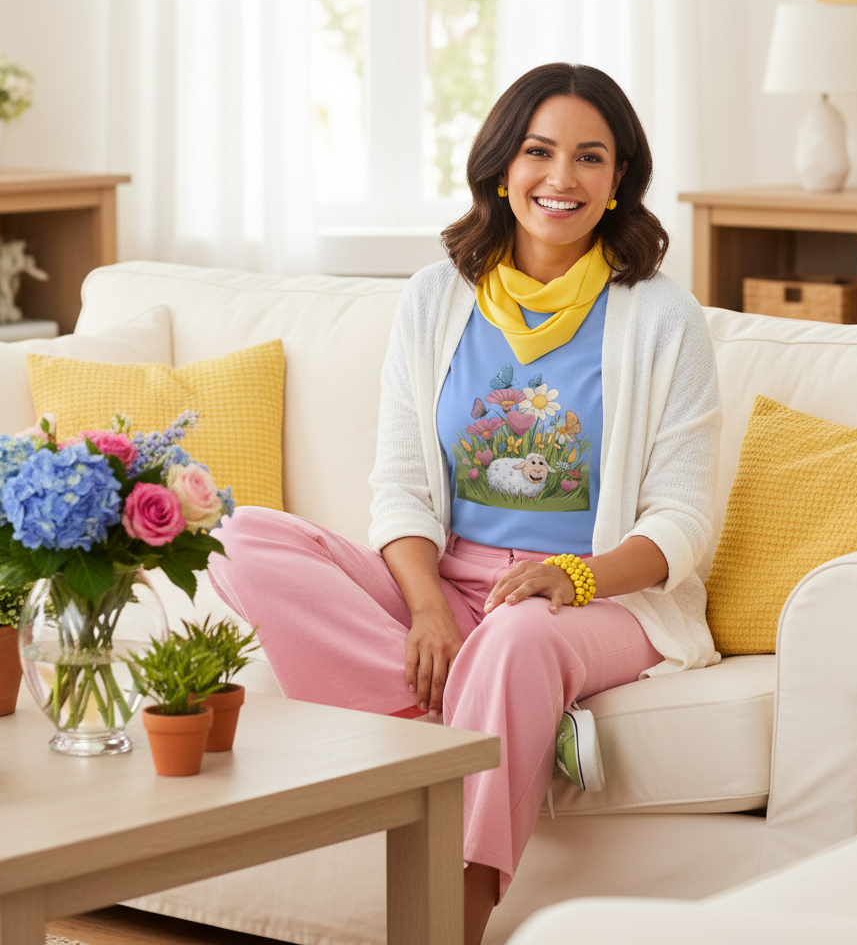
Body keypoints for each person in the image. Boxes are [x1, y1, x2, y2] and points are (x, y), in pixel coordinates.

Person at [209, 62, 722, 945]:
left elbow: (681, 521)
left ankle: (453, 923)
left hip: (601, 598)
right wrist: (425, 612)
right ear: (499, 165)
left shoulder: (661, 318)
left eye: (590, 158)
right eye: (539, 151)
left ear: (619, 181)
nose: (561, 178)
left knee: (520, 638)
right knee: (242, 537)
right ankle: (480, 720)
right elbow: (401, 485)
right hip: (450, 584)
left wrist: (575, 576)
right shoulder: (436, 297)